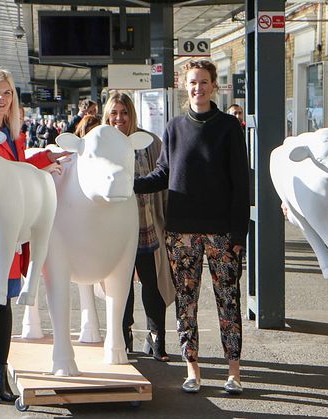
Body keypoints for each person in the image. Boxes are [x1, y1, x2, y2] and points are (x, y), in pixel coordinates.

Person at [134, 60, 249, 395]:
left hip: (222, 231)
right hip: (181, 231)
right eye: (192, 83)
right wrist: (129, 184)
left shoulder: (229, 127)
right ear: (186, 87)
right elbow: (163, 174)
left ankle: (234, 371)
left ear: (213, 85)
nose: (198, 88)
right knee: (186, 301)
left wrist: (239, 233)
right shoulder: (173, 128)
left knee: (228, 300)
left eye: (203, 82)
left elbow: (241, 184)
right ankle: (192, 368)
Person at [0, 68, 66, 404]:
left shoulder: (12, 133)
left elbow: (16, 170)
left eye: (7, 93)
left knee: (2, 299)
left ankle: (1, 370)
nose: (0, 98)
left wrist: (46, 158)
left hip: (7, 227)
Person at [101, 91, 175, 361]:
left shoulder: (148, 142)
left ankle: (157, 340)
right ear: (107, 115)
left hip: (146, 225)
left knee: (152, 284)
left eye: (124, 112)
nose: (119, 118)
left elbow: (164, 181)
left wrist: (167, 222)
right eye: (114, 113)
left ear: (132, 114)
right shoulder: (101, 142)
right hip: (113, 229)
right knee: (121, 287)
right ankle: (123, 336)